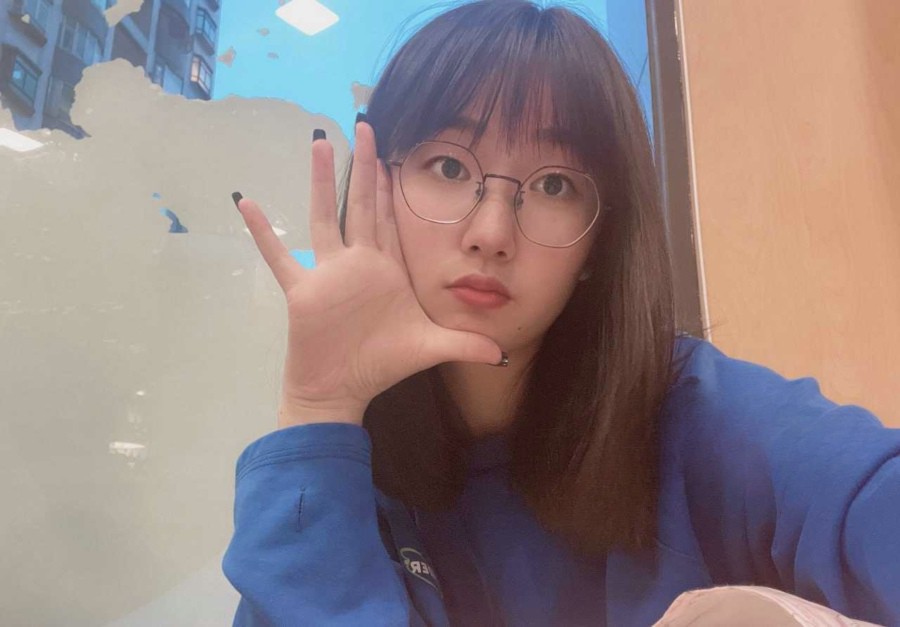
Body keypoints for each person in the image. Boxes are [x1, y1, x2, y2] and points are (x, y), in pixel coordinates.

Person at [222, 1, 900, 625]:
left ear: (599, 240)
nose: (491, 232)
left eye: (554, 184)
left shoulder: (701, 420)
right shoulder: (343, 461)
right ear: (381, 186)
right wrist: (318, 408)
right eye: (449, 168)